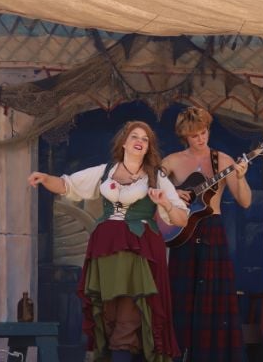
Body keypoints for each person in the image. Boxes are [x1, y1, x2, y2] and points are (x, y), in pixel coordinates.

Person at [28, 120, 188, 362]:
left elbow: (181, 218)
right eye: (135, 136)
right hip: (106, 250)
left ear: (148, 148)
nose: (139, 141)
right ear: (124, 142)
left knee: (130, 311)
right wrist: (44, 178)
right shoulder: (105, 171)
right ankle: (114, 353)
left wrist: (164, 202)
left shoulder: (155, 177)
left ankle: (122, 354)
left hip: (139, 249)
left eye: (145, 140)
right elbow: (66, 185)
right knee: (108, 312)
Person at [160, 107, 250, 362]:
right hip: (182, 233)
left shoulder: (222, 160)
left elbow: (244, 202)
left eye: (204, 132)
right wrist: (172, 193)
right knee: (181, 297)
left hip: (212, 230)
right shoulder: (171, 161)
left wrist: (241, 178)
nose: (201, 139)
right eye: (194, 135)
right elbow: (152, 185)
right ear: (184, 136)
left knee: (214, 300)